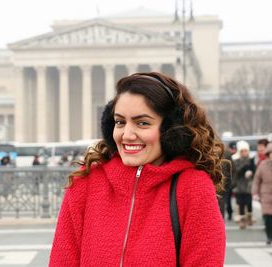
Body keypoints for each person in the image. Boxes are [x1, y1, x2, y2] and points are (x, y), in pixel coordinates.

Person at [49, 72, 226, 266]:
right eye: (120, 122)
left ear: (172, 130)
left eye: (142, 123)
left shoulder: (193, 188)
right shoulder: (85, 183)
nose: (127, 135)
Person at [252, 142, 272, 245]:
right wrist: (255, 192)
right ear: (268, 154)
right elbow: (257, 180)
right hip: (266, 195)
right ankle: (269, 237)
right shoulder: (262, 165)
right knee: (268, 219)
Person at [233, 140, 256, 229]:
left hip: (249, 185)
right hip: (239, 185)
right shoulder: (235, 160)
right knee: (241, 203)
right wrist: (244, 168)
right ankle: (242, 220)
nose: (244, 153)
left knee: (249, 202)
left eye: (245, 151)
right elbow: (236, 172)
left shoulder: (251, 159)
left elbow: (255, 170)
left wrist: (251, 172)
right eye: (242, 151)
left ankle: (249, 216)